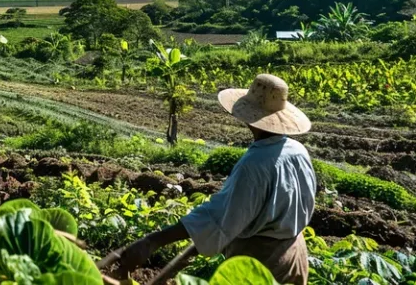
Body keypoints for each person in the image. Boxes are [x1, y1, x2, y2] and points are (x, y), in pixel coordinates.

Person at [118, 74, 316, 285]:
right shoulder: (298, 151)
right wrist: (188, 251)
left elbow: (221, 218)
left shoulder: (255, 164)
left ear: (250, 117)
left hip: (260, 263)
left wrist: (152, 241)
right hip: (295, 255)